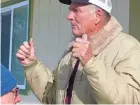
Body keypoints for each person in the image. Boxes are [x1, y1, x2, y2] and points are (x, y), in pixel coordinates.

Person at [16, 0, 140, 104]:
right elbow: (52, 98)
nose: (69, 16)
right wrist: (31, 65)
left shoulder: (128, 48)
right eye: (70, 10)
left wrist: (91, 63)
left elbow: (131, 100)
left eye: (77, 11)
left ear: (97, 16)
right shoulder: (72, 50)